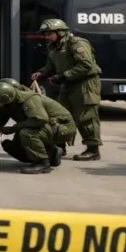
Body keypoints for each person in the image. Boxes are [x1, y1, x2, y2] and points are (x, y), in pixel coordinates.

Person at [30, 19, 103, 161]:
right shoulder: (53, 46)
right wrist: (42, 73)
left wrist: (64, 76)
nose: (46, 37)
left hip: (85, 83)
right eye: (45, 34)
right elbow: (50, 65)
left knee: (85, 117)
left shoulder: (77, 43)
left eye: (49, 33)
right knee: (59, 114)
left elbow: (86, 66)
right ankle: (59, 146)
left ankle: (93, 149)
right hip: (68, 83)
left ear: (60, 32)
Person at [0, 81, 77, 174]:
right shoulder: (10, 102)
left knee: (26, 133)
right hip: (45, 126)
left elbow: (40, 119)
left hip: (63, 128)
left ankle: (43, 163)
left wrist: (13, 128)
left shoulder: (29, 100)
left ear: (5, 97)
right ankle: (52, 154)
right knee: (14, 148)